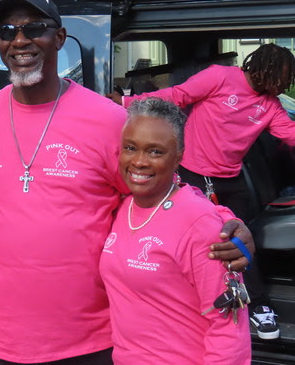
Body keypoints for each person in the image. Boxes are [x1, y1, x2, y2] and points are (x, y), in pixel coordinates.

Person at [0, 0, 253, 364]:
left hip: (94, 341)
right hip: (3, 343)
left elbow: (162, 189)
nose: (19, 40)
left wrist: (224, 222)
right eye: (7, 31)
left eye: (34, 28)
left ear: (59, 38)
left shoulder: (109, 120)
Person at [108, 43, 295, 339]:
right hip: (191, 176)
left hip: (230, 180)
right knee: (195, 244)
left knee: (240, 242)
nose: (285, 85)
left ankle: (257, 305)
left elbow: (290, 133)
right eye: (283, 78)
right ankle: (190, 304)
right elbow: (176, 96)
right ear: (266, 68)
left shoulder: (270, 105)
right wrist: (127, 102)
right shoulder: (220, 77)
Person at [99, 97, 251, 364]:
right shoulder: (121, 207)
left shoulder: (200, 223)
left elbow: (228, 327)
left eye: (155, 152)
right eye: (130, 148)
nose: (139, 161)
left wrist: (220, 217)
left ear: (179, 157)